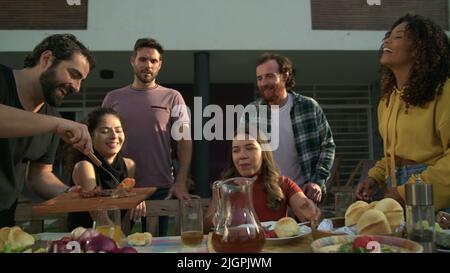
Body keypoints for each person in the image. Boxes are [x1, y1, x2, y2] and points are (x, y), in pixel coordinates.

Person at [355, 14, 450, 210]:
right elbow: (393, 155)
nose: (386, 40)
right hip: (396, 188)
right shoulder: (387, 100)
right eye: (388, 35)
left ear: (418, 49)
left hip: (435, 195)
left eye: (398, 36)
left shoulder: (444, 92)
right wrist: (375, 177)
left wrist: (408, 190)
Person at [0, 34, 95, 228]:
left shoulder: (53, 119)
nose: (77, 88)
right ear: (46, 59)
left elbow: (39, 176)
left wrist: (71, 193)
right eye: (74, 74)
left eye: (81, 80)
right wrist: (55, 124)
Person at [102, 38, 192, 234]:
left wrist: (181, 180)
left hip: (159, 187)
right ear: (132, 60)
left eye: (153, 61)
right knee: (115, 242)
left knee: (156, 245)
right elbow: (100, 142)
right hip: (120, 186)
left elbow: (184, 140)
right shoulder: (113, 98)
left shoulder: (173, 97)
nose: (148, 65)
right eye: (143, 59)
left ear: (160, 65)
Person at [242, 52, 335, 203]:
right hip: (265, 194)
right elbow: (242, 152)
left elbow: (328, 146)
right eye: (260, 78)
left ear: (285, 75)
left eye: (269, 76)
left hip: (303, 194)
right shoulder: (250, 112)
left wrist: (318, 181)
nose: (263, 83)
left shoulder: (308, 106)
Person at [204, 126, 321, 232]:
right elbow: (206, 227)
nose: (242, 156)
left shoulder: (283, 183)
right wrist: (221, 213)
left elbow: (313, 220)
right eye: (236, 150)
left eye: (250, 148)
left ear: (264, 152)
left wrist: (311, 212)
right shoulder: (225, 186)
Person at [65, 108, 145, 231]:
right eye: (105, 131)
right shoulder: (85, 167)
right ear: (91, 136)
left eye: (118, 130)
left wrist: (136, 200)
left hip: (115, 238)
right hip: (86, 242)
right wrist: (122, 245)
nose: (114, 136)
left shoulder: (129, 165)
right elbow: (100, 218)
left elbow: (126, 203)